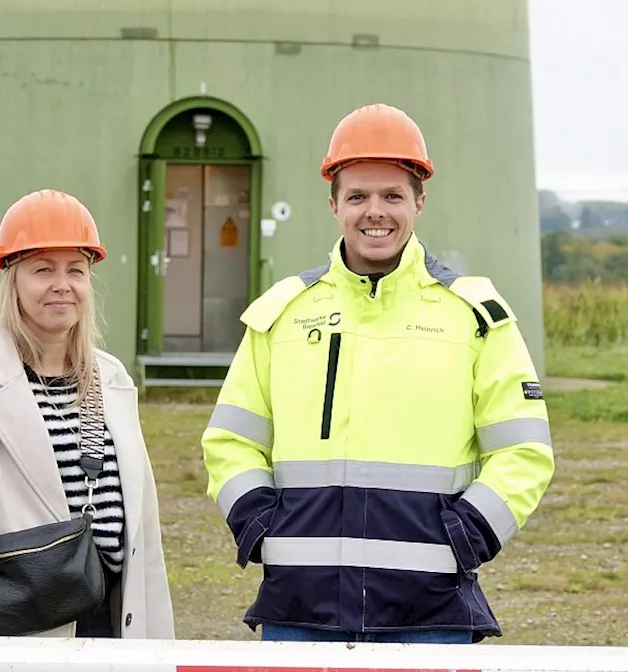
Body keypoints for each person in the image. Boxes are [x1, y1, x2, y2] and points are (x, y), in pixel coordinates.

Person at [200, 103, 555, 644]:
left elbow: (524, 452)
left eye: (392, 196)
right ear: (334, 204)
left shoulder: (475, 318)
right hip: (300, 606)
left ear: (419, 202)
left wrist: (466, 536)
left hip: (429, 609)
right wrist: (260, 527)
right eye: (358, 196)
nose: (375, 212)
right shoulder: (283, 314)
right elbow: (230, 441)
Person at [0, 189, 174, 639]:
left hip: (115, 627)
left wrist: (157, 649)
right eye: (43, 270)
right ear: (12, 280)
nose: (62, 284)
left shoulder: (112, 383)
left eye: (75, 270)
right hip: (24, 637)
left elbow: (144, 542)